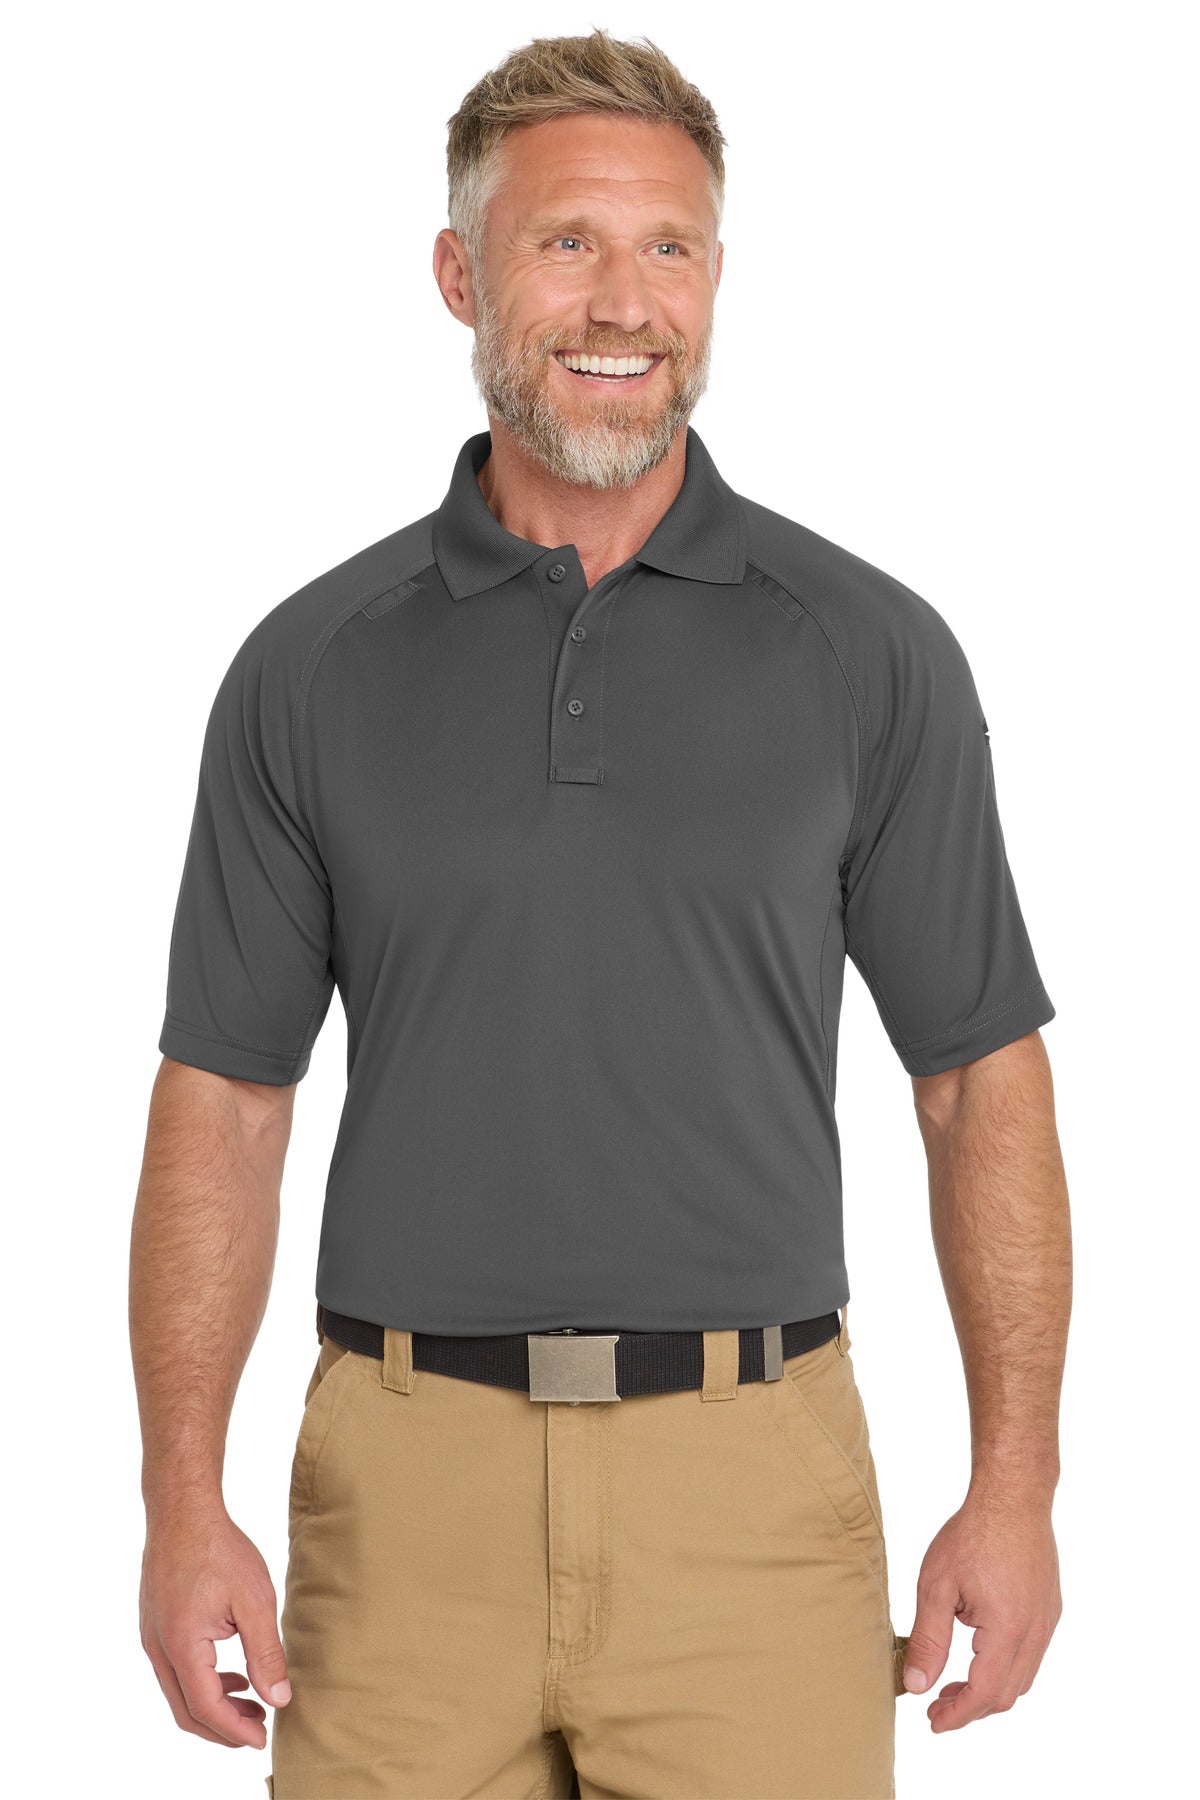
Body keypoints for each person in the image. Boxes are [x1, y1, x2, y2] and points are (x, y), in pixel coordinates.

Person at [130, 28, 1071, 1800]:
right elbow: (228, 1104)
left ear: (716, 275)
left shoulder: (869, 653)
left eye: (670, 248)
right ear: (459, 274)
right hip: (404, 1504)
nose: (625, 303)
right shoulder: (310, 669)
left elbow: (975, 1082)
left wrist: (1015, 1485)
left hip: (756, 1500)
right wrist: (183, 1503)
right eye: (567, 243)